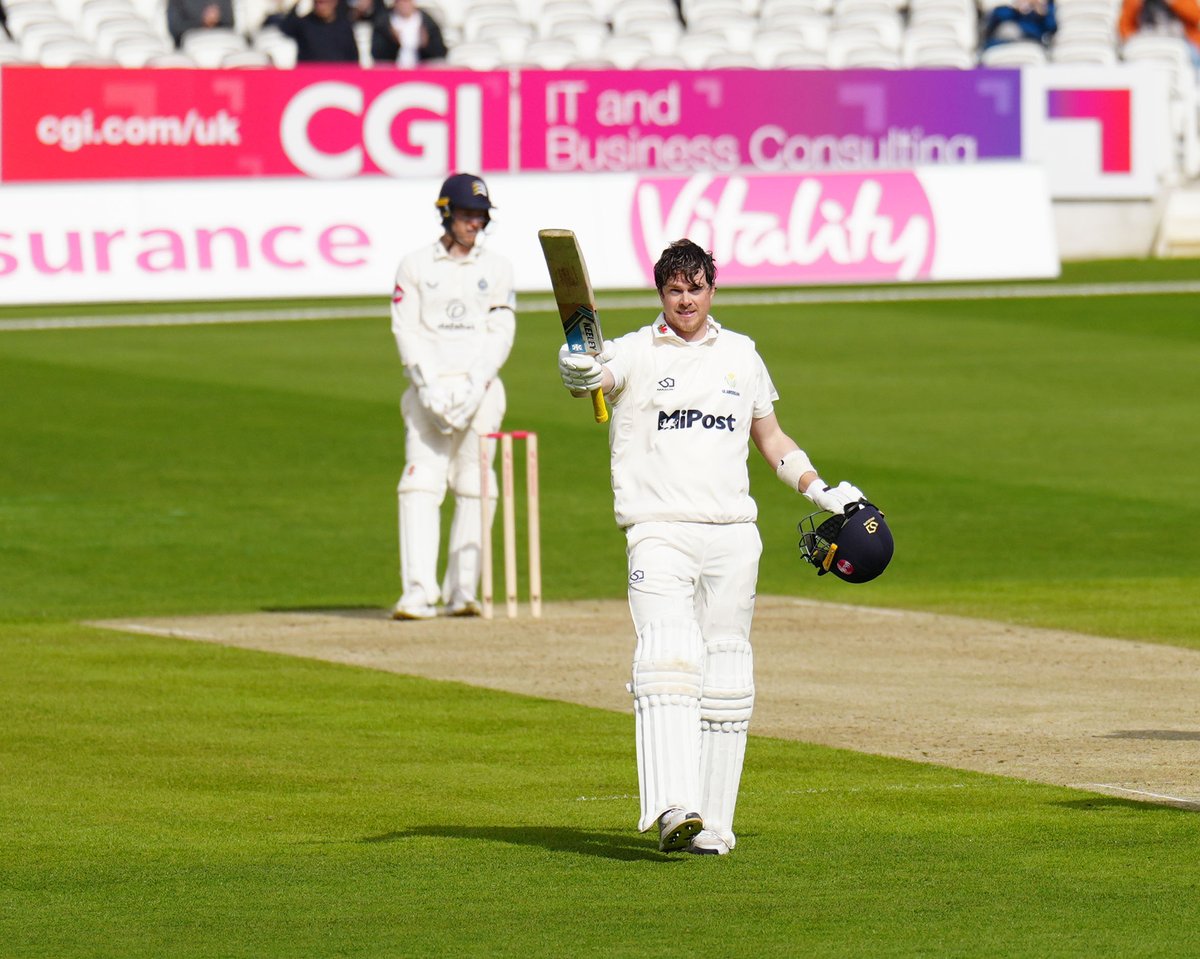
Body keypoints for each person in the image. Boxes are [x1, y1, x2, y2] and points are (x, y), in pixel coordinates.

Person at [557, 240, 867, 856]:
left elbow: (771, 437)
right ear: (661, 295)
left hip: (731, 537)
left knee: (726, 676)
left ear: (712, 289)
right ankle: (674, 806)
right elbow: (598, 374)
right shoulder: (636, 351)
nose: (686, 300)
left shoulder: (741, 355)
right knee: (668, 661)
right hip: (659, 530)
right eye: (675, 290)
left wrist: (820, 490)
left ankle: (715, 825)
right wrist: (580, 372)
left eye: (696, 288)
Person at [390, 174, 516, 621]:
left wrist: (476, 384)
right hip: (429, 390)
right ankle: (418, 594)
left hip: (479, 391)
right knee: (420, 483)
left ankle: (463, 591)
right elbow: (405, 328)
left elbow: (501, 330)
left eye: (480, 217)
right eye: (466, 215)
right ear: (447, 213)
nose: (474, 224)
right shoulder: (415, 265)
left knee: (476, 485)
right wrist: (427, 386)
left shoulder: (497, 267)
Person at [272, 0, 360, 62]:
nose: (321, 6)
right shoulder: (304, 24)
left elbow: (353, 57)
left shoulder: (344, 26)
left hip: (338, 78)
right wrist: (297, 3)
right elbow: (285, 28)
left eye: (324, 2)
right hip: (310, 77)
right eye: (318, 2)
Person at [369, 0, 447, 66]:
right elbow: (377, 54)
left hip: (422, 68)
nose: (405, 5)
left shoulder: (427, 22)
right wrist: (393, 42)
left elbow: (440, 52)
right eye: (401, 2)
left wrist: (426, 45)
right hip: (393, 69)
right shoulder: (383, 23)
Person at [1118, 0, 1200, 63]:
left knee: (1194, 57)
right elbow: (1124, 27)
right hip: (1146, 42)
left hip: (1181, 40)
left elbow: (1196, 17)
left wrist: (1174, 2)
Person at [981, 0, 1057, 48]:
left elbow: (1051, 28)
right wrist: (1015, 8)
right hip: (1002, 41)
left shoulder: (1045, 5)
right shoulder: (1007, 10)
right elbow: (995, 18)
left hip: (1031, 42)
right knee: (1009, 29)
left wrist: (1041, 11)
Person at [167, 0, 234, 46]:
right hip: (191, 46)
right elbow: (175, 28)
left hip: (221, 42)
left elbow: (230, 24)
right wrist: (202, 22)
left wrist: (216, 19)